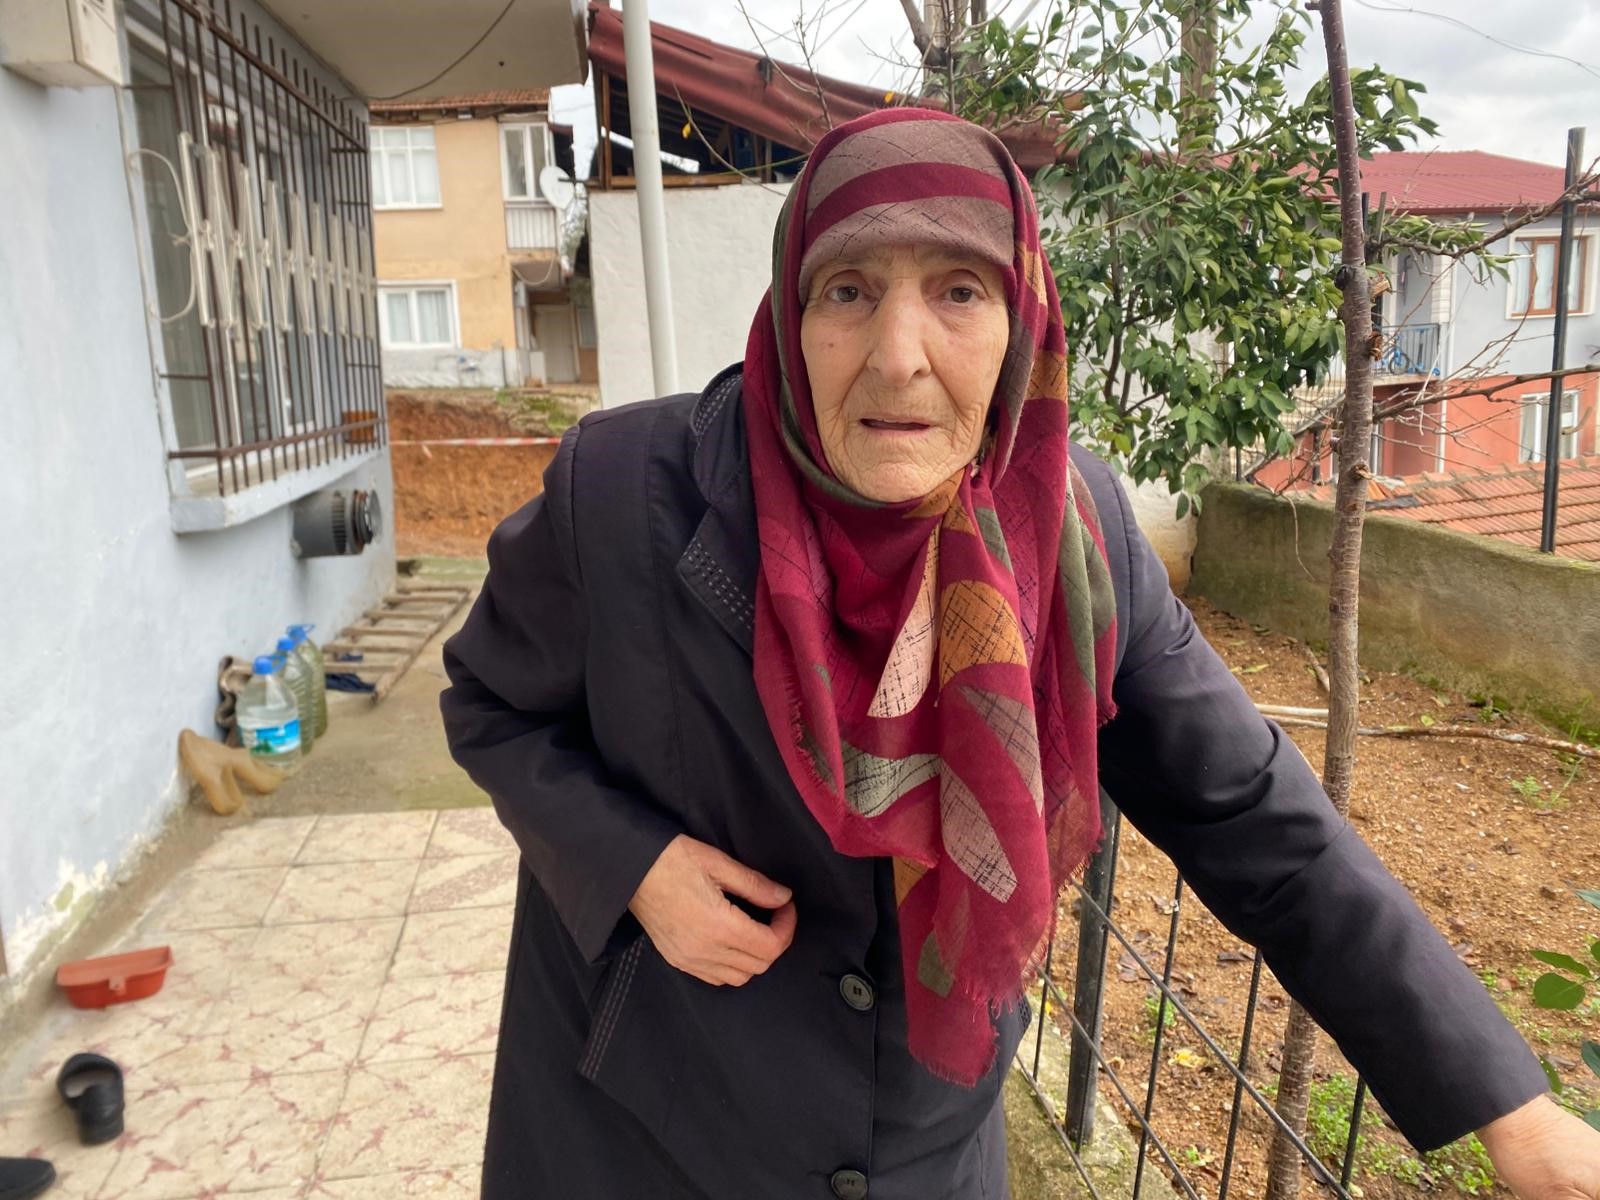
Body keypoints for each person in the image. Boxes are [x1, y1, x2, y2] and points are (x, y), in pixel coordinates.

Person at [440, 108, 1599, 1199]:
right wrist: (634, 865)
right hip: (645, 1130)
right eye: (848, 289)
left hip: (924, 1149)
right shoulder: (619, 495)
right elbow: (491, 703)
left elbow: (1255, 819)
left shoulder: (1071, 531)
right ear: (790, 315)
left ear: (1023, 320)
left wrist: (1511, 1111)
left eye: (959, 290)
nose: (898, 356)